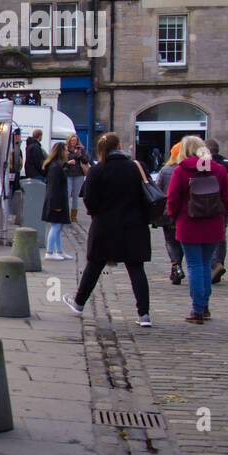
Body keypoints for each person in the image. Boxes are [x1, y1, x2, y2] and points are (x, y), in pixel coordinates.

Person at [63, 133, 152, 328]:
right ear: (119, 145)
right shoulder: (136, 168)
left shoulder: (97, 171)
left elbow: (88, 200)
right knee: (136, 269)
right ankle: (144, 314)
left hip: (105, 226)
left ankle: (78, 303)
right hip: (133, 225)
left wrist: (98, 213)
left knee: (94, 266)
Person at [166, 136, 228, 323]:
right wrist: (222, 214)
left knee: (195, 265)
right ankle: (204, 306)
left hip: (188, 224)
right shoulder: (219, 169)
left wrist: (173, 216)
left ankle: (197, 310)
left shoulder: (181, 171)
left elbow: (172, 199)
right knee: (205, 265)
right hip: (213, 225)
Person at [204, 138, 228, 284]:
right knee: (221, 237)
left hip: (206, 209)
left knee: (206, 237)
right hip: (224, 208)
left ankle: (215, 265)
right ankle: (219, 264)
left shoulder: (205, 167)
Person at [156, 145, 185, 285]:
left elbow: (158, 190)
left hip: (167, 211)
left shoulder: (165, 170)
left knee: (170, 240)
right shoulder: (188, 170)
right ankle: (177, 265)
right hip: (184, 212)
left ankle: (176, 265)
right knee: (181, 241)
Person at [41, 141, 72, 260]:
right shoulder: (55, 167)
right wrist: (55, 205)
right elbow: (54, 187)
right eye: (65, 150)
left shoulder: (58, 166)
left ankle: (59, 251)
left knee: (59, 227)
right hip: (56, 201)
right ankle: (49, 252)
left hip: (59, 200)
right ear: (60, 152)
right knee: (56, 227)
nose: (67, 152)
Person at [65, 134, 90, 222]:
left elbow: (86, 161)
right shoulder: (66, 149)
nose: (73, 142)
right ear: (69, 141)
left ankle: (73, 216)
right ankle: (66, 214)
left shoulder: (81, 149)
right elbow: (62, 161)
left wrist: (79, 155)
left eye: (75, 140)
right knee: (67, 193)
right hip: (68, 174)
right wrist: (68, 161)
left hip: (79, 174)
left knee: (76, 195)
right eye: (72, 140)